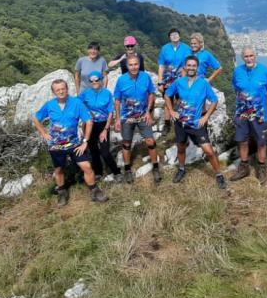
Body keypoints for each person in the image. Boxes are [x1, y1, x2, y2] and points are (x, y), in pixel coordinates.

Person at [32, 79, 108, 206]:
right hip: (56, 145)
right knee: (59, 169)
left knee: (87, 167)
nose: (61, 91)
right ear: (53, 92)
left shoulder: (77, 103)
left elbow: (89, 121)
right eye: (58, 90)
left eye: (63, 88)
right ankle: (62, 192)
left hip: (74, 144)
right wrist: (44, 133)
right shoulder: (50, 105)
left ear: (67, 89)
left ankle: (94, 191)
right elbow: (35, 118)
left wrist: (85, 141)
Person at [164, 55, 226, 189]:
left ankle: (219, 175)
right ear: (185, 67)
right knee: (181, 147)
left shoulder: (203, 83)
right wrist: (171, 110)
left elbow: (214, 101)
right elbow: (167, 95)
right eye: (189, 65)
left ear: (197, 68)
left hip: (197, 124)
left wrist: (206, 117)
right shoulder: (179, 82)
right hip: (180, 123)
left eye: (194, 65)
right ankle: (181, 169)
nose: (191, 68)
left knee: (209, 151)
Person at [114, 54, 162, 184]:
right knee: (126, 144)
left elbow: (151, 94)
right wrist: (118, 119)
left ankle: (155, 167)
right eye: (131, 65)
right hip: (126, 117)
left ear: (139, 64)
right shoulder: (121, 80)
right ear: (127, 66)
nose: (134, 67)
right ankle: (128, 169)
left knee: (150, 141)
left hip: (142, 116)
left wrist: (148, 112)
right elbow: (117, 100)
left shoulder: (145, 77)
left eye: (136, 64)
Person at [230, 46, 267, 185]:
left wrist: (259, 105)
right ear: (242, 57)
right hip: (241, 113)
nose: (249, 58)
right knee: (242, 140)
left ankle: (261, 168)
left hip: (259, 115)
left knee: (261, 142)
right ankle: (244, 168)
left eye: (251, 56)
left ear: (256, 56)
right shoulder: (237, 71)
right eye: (246, 56)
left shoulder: (265, 71)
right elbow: (236, 89)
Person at [78, 71, 121, 181]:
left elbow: (111, 113)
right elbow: (76, 103)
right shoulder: (85, 93)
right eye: (91, 81)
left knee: (105, 152)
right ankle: (98, 172)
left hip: (103, 124)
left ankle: (116, 172)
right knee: (93, 150)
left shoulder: (107, 93)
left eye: (96, 80)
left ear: (101, 80)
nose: (94, 82)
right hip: (90, 125)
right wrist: (85, 113)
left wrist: (105, 129)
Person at [157, 28, 192, 135]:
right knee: (168, 102)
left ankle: (182, 122)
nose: (174, 36)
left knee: (182, 101)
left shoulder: (186, 48)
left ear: (179, 36)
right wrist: (159, 82)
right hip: (167, 80)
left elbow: (188, 65)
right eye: (172, 35)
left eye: (176, 34)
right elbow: (161, 66)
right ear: (169, 37)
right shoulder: (165, 49)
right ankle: (167, 124)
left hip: (181, 80)